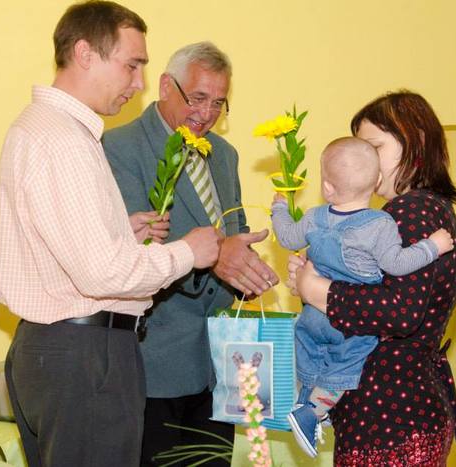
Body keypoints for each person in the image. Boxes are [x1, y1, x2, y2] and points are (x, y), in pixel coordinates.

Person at [0, 3, 222, 466]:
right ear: (85, 53)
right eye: (132, 65)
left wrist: (121, 233)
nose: (139, 83)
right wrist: (188, 252)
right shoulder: (64, 140)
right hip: (86, 355)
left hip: (57, 351)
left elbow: (69, 250)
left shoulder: (43, 128)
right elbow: (102, 273)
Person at [103, 41, 279, 466]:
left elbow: (232, 233)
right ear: (166, 86)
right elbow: (130, 253)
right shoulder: (119, 147)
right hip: (154, 360)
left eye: (219, 103)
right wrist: (218, 256)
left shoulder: (224, 155)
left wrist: (246, 269)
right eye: (197, 97)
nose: (207, 113)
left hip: (218, 367)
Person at [287, 91, 456, 466]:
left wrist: (316, 289)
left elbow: (399, 313)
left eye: (374, 146)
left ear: (415, 141)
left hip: (391, 420)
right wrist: (314, 278)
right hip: (395, 415)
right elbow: (379, 295)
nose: (364, 159)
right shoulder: (423, 208)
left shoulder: (410, 211)